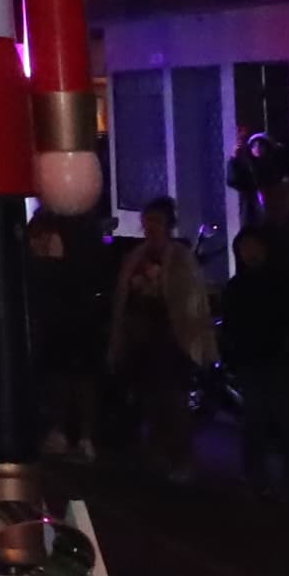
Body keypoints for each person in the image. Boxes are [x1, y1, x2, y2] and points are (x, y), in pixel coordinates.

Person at [107, 198, 214, 481]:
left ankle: (181, 457)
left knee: (173, 401)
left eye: (156, 221)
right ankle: (157, 454)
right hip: (142, 338)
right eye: (148, 221)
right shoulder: (136, 256)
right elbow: (123, 298)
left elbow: (190, 299)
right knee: (149, 400)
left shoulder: (179, 256)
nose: (150, 227)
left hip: (171, 338)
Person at [218, 225, 289, 501]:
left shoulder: (283, 282)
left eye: (254, 246)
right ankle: (256, 475)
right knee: (255, 420)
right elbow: (231, 324)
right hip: (253, 360)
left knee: (288, 422)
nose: (249, 252)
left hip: (280, 360)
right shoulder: (237, 286)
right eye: (244, 248)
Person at [25, 213, 104, 459]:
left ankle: (74, 434)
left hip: (66, 316)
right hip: (73, 315)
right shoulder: (81, 230)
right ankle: (76, 435)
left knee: (70, 377)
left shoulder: (63, 232)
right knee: (69, 377)